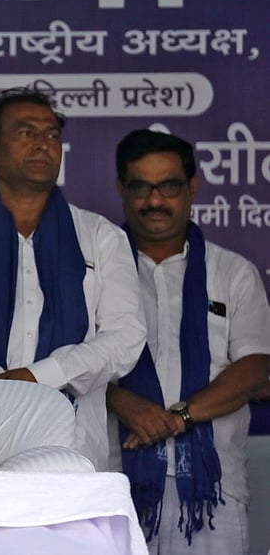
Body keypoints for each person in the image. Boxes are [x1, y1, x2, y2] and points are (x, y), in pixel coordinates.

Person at [0, 88, 145, 471]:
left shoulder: (99, 235)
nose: (43, 144)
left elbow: (126, 337)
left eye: (52, 135)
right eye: (26, 133)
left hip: (73, 446)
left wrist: (40, 377)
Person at [107, 129, 270, 554]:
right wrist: (123, 402)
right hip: (111, 485)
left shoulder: (232, 273)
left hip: (212, 489)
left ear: (192, 187)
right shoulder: (95, 270)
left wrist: (179, 418)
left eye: (170, 186)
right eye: (141, 187)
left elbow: (255, 368)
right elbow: (73, 364)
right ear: (121, 188)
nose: (155, 200)